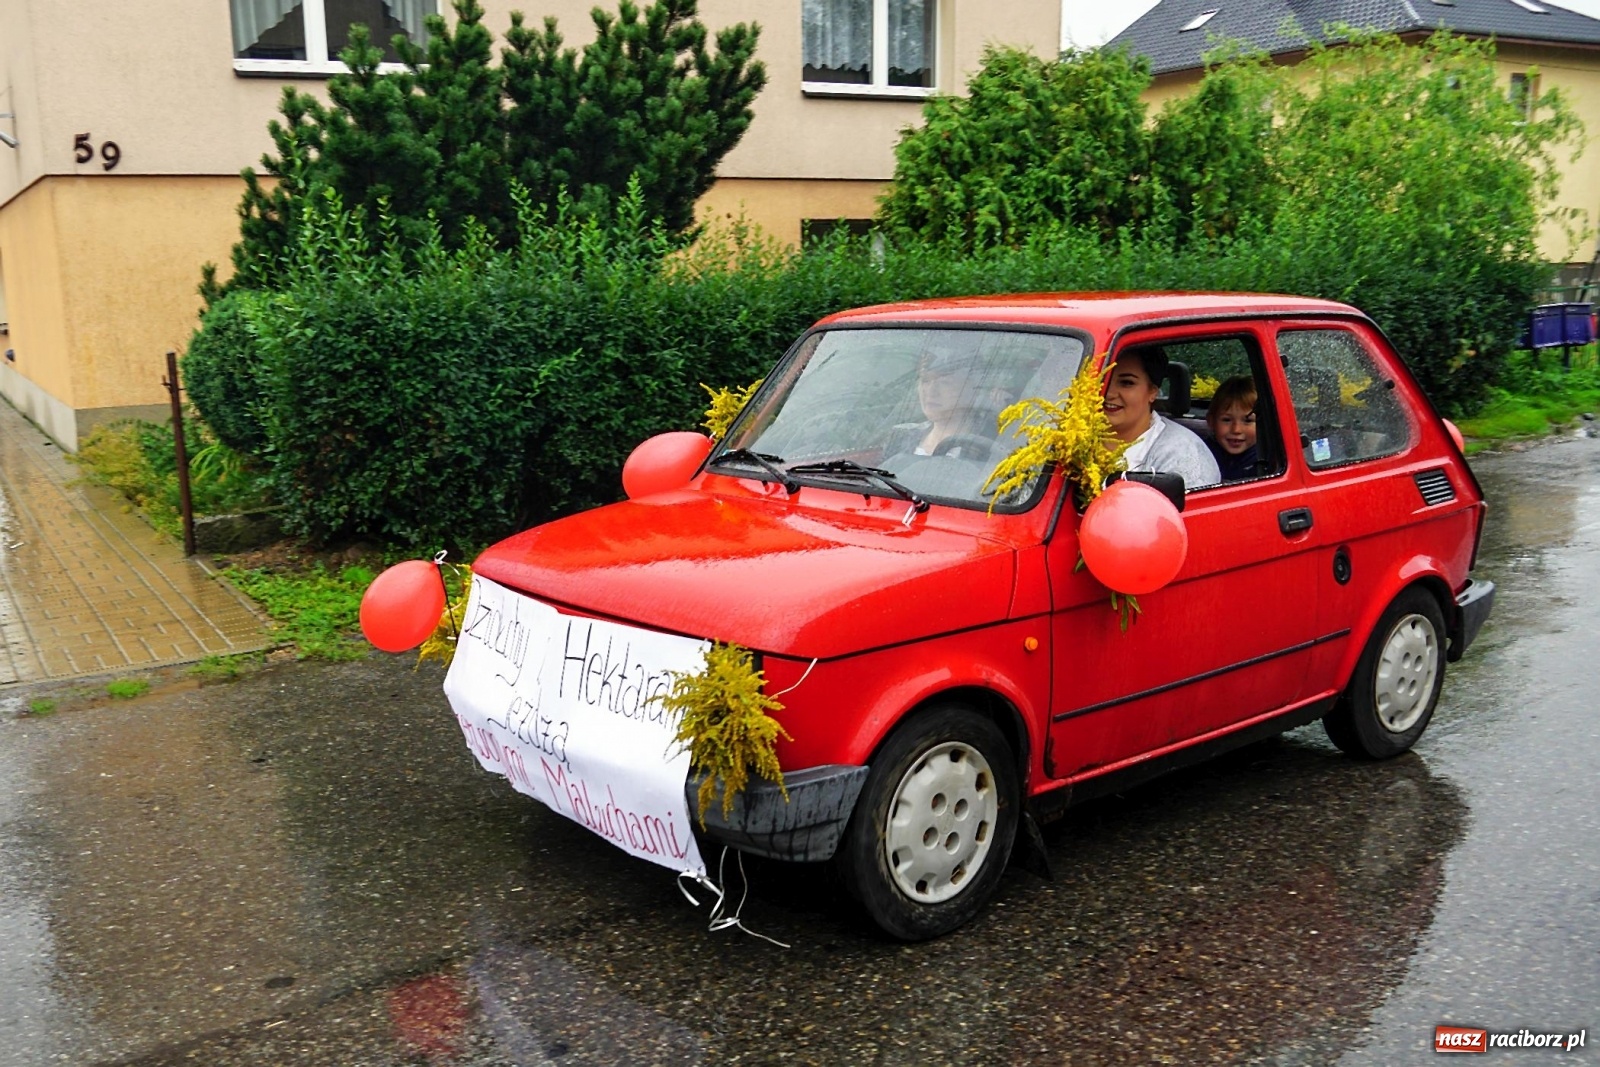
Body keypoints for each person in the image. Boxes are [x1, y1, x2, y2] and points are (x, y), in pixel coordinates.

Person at [1104, 347, 1220, 490]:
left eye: (1126, 383)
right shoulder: (1080, 437)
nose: (1108, 393)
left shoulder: (1184, 455)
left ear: (1153, 392)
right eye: (1103, 379)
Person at [1205, 376, 1261, 481]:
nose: (1236, 430)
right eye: (1227, 420)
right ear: (1211, 422)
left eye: (1248, 421)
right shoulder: (1201, 452)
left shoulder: (1266, 462)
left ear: (1264, 424)